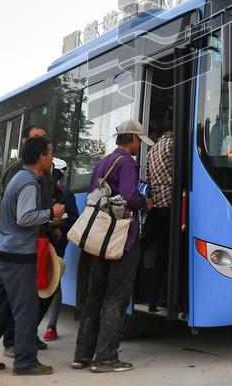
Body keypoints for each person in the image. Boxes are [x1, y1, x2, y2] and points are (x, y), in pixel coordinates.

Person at [0, 135, 65, 376]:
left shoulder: (20, 178)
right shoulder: (29, 183)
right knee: (26, 309)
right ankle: (25, 362)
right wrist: (51, 212)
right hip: (18, 255)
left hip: (4, 252)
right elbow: (25, 217)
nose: (52, 158)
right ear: (41, 157)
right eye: (50, 154)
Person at [72, 119, 154, 373]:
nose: (140, 145)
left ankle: (82, 355)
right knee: (116, 298)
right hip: (122, 240)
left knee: (94, 295)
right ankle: (106, 358)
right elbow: (129, 196)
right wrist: (145, 203)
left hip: (99, 239)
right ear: (132, 139)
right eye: (139, 140)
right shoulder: (127, 163)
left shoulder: (102, 163)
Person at [1, 125, 55, 356]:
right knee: (24, 299)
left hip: (42, 236)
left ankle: (25, 336)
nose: (44, 143)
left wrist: (54, 221)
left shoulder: (45, 175)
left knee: (44, 290)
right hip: (22, 243)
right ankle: (17, 347)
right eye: (38, 140)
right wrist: (50, 215)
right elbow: (22, 215)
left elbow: (49, 198)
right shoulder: (20, 175)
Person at [41, 157, 79, 342]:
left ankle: (51, 326)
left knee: (54, 282)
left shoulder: (65, 194)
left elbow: (73, 219)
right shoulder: (38, 190)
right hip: (40, 241)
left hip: (56, 245)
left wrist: (59, 226)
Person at [145, 114, 174, 311]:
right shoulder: (172, 145)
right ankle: (166, 297)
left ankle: (155, 298)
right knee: (171, 255)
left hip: (156, 207)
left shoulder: (152, 149)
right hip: (170, 206)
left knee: (161, 255)